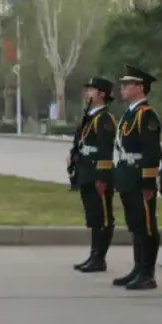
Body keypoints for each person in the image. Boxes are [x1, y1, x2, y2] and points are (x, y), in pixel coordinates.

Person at [111, 64, 162, 290]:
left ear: (140, 87)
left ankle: (147, 274)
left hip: (140, 177)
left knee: (146, 224)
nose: (122, 88)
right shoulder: (130, 114)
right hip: (127, 175)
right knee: (135, 224)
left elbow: (151, 152)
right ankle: (138, 268)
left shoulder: (146, 116)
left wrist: (149, 181)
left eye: (127, 84)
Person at [70, 76, 117, 272]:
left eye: (91, 89)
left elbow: (105, 151)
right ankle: (93, 255)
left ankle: (100, 258)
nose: (87, 93)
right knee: (94, 217)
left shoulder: (104, 119)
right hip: (86, 173)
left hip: (98, 175)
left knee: (103, 218)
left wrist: (102, 177)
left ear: (101, 94)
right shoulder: (89, 117)